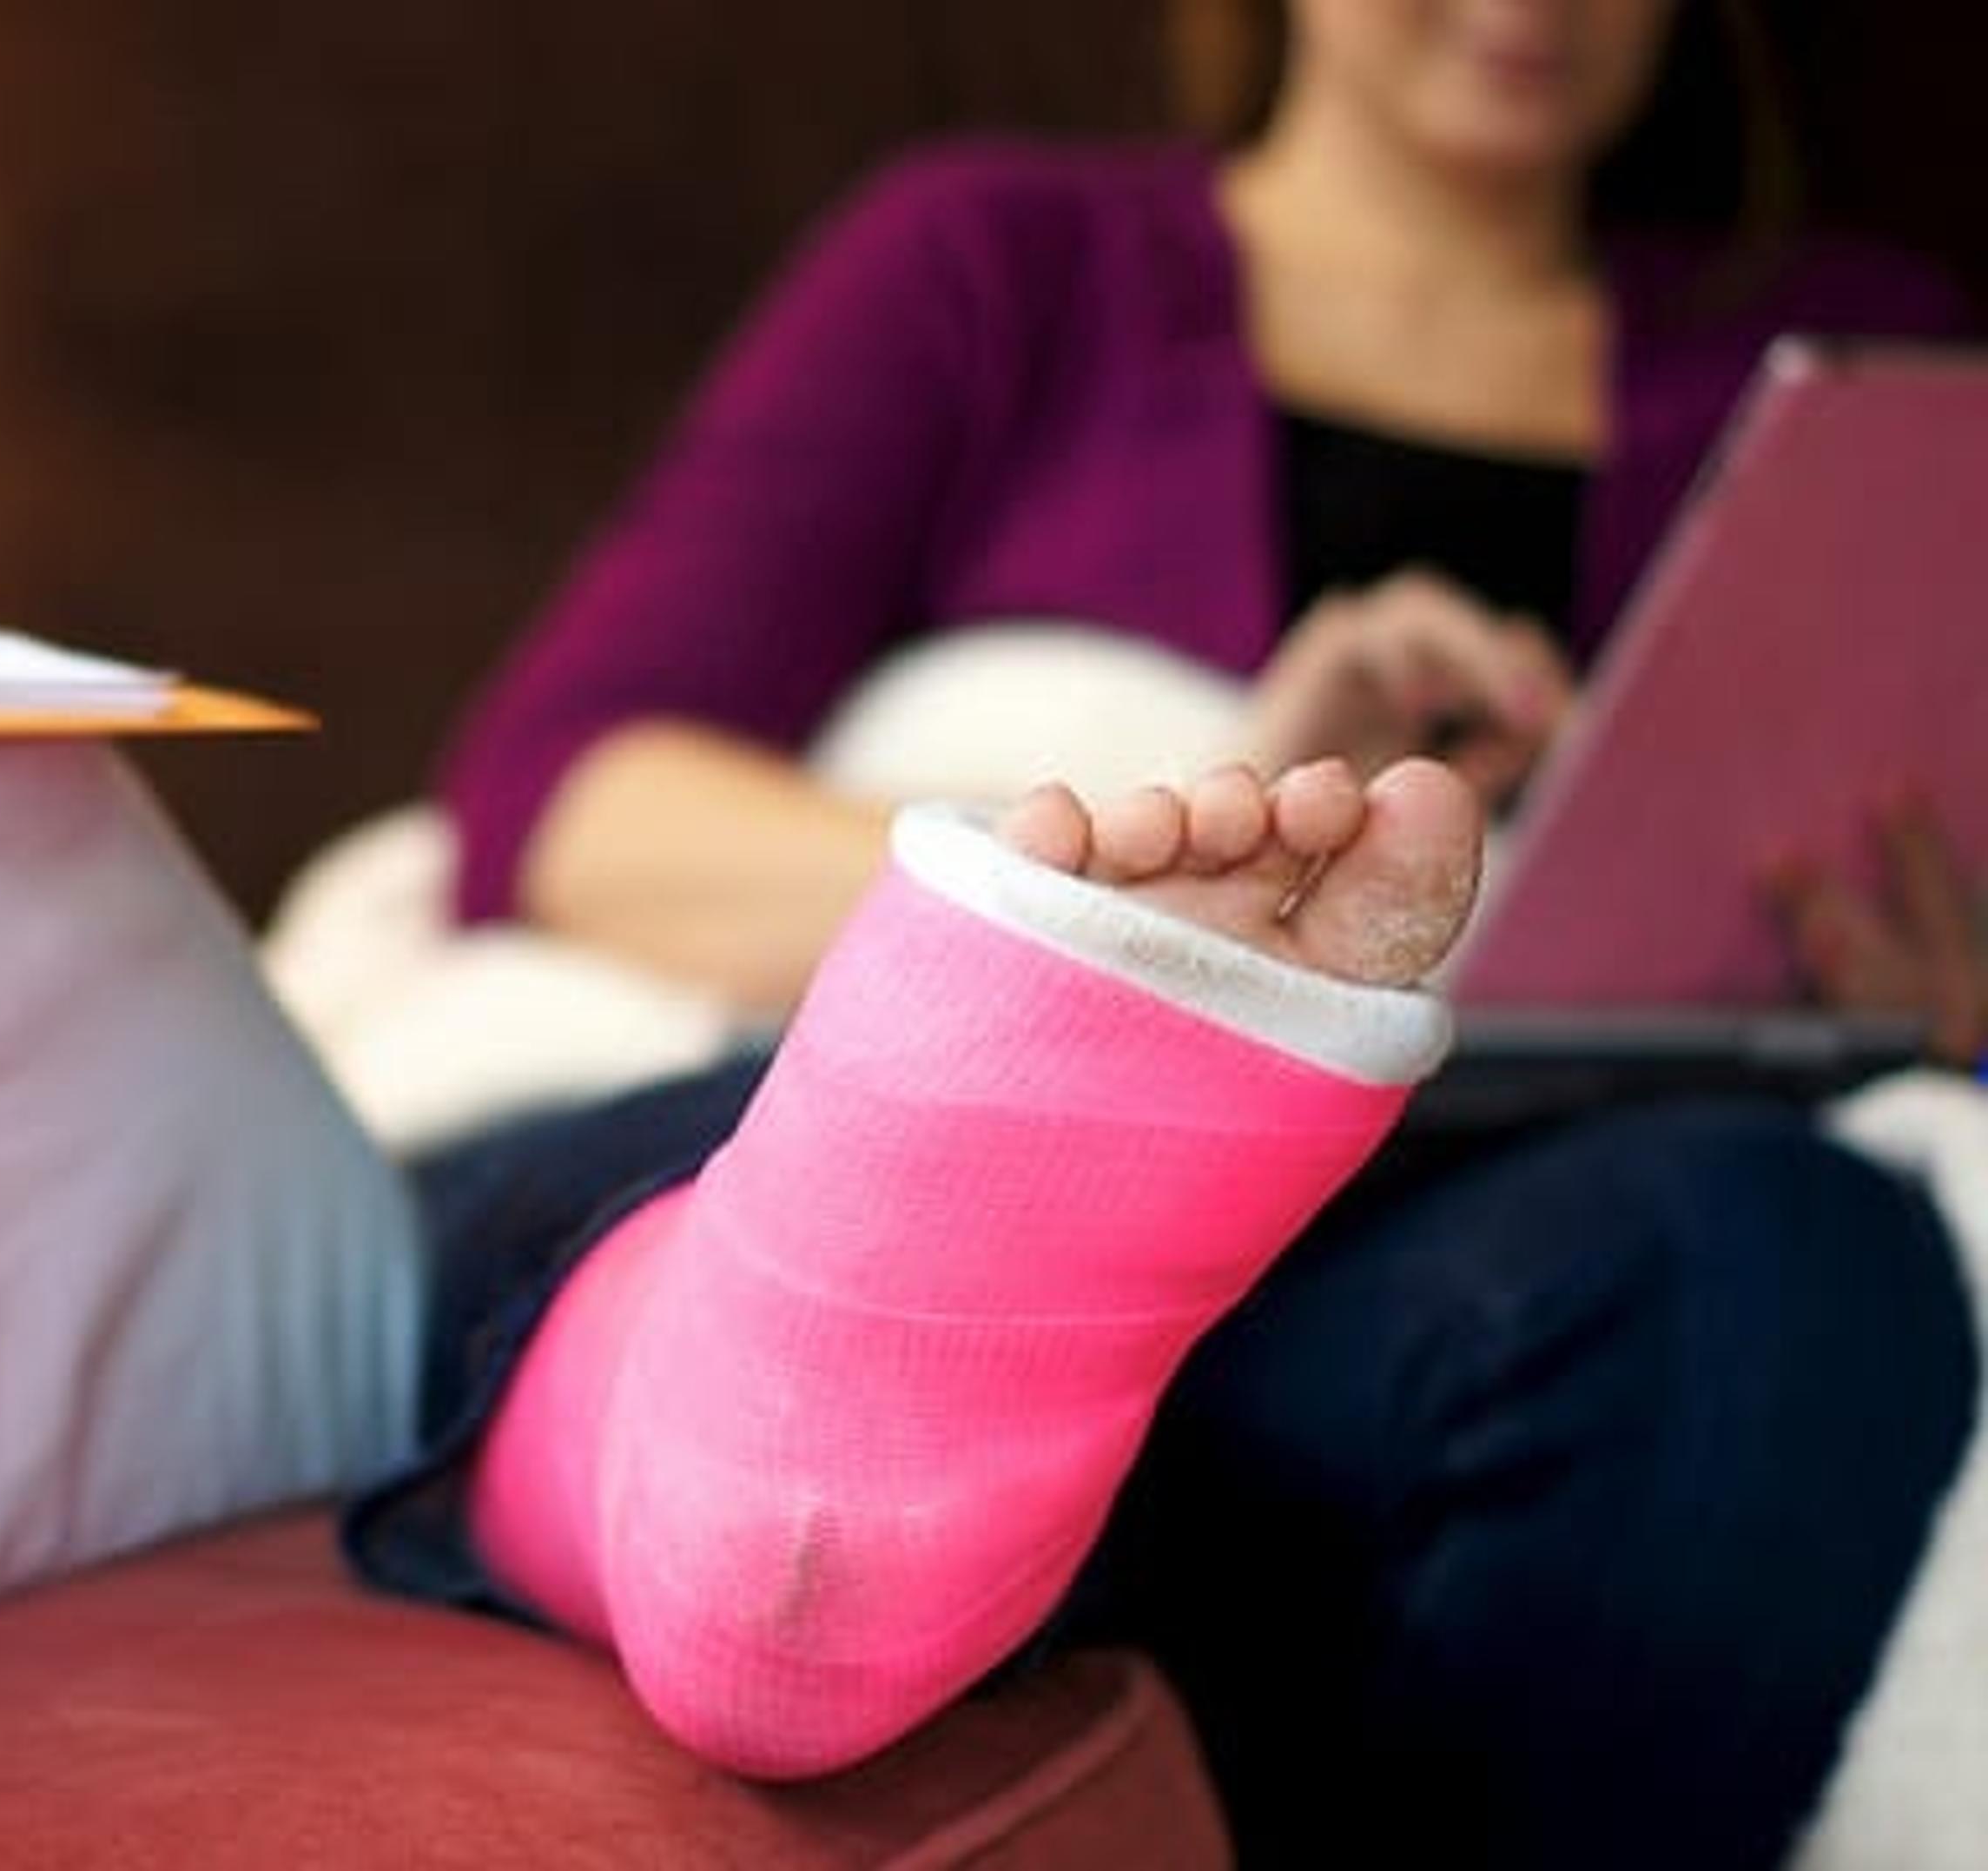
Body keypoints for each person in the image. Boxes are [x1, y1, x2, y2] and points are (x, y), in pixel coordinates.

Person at [345, 2, 1985, 1865]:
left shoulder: (1866, 351)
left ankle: (838, 1458)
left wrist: (1926, 982)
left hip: (1450, 1229)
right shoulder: (999, 262)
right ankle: (820, 1372)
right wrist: (1107, 927)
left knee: (1772, 1249)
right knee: (761, 1181)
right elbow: (568, 806)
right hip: (855, 1104)